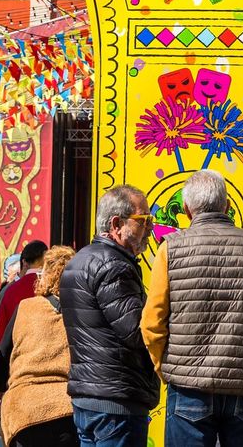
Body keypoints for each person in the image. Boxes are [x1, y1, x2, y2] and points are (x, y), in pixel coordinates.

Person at [141, 171, 243, 447]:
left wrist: (167, 369)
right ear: (227, 206)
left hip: (189, 389)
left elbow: (152, 324)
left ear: (186, 210)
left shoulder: (170, 249)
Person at [58, 184, 158, 447]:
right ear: (117, 224)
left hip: (89, 395)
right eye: (143, 220)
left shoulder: (79, 261)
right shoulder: (114, 265)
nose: (150, 228)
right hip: (116, 400)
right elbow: (136, 331)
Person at [0, 245, 78, 447]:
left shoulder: (25, 307)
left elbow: (3, 354)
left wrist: (2, 390)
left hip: (24, 411)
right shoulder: (81, 312)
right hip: (67, 408)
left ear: (45, 275)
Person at [0, 241, 50, 344]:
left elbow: (1, 334)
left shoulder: (10, 291)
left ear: (25, 262)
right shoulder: (51, 288)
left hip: (16, 351)